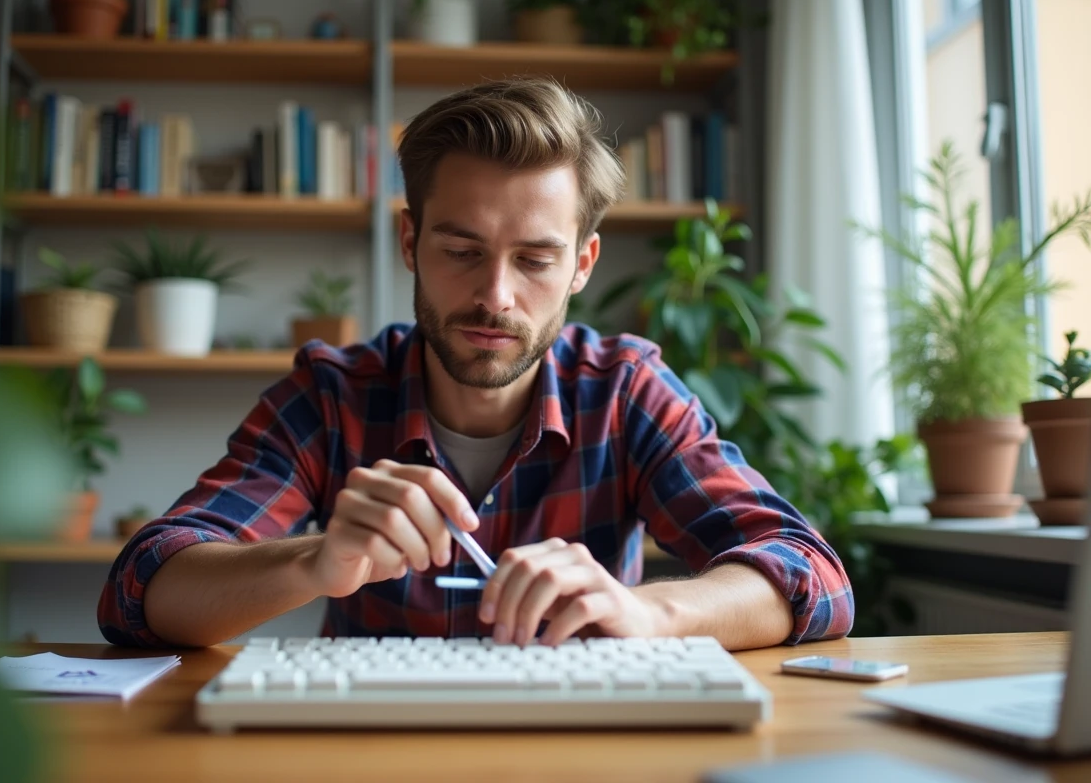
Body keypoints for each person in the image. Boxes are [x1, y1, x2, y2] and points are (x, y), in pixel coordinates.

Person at [98, 77, 853, 650]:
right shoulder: (331, 396)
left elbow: (810, 575)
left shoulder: (626, 392)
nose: (496, 296)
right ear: (409, 244)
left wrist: (647, 609)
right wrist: (313, 563)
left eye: (534, 259)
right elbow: (143, 587)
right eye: (461, 252)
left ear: (582, 264)